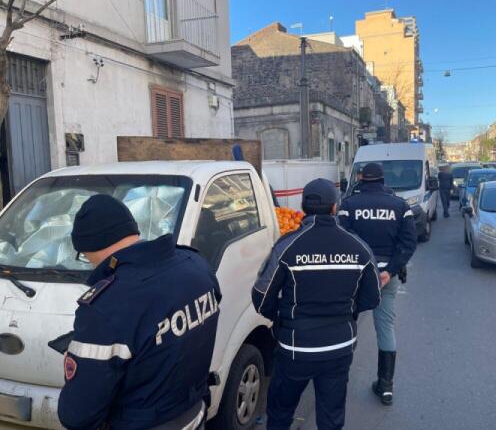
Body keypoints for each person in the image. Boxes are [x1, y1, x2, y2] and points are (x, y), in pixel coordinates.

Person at [58, 194, 220, 430]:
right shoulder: (196, 265)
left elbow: (77, 415)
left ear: (88, 248)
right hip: (194, 414)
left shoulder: (106, 307)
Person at [252, 179, 382, 430]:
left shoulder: (287, 245)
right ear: (334, 207)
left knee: (280, 413)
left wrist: (280, 320)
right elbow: (373, 297)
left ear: (303, 206)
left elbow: (261, 296)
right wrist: (348, 312)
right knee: (331, 418)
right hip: (339, 347)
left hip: (295, 347)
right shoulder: (358, 246)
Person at [338, 163, 417, 406]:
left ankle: (338, 381)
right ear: (383, 180)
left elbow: (342, 240)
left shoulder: (348, 205)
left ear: (361, 178)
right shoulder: (400, 206)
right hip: (386, 276)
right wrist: (390, 271)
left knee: (345, 325)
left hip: (355, 276)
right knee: (385, 328)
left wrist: (362, 268)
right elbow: (408, 243)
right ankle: (386, 386)